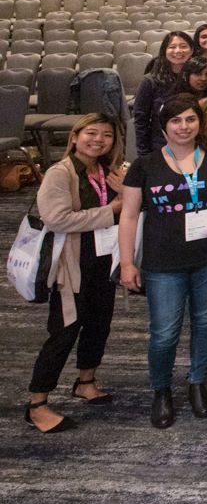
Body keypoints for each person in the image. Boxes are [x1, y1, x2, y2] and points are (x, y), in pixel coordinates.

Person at [119, 94, 207, 430]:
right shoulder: (144, 165)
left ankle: (197, 381)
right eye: (176, 121)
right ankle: (161, 389)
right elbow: (129, 216)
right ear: (164, 126)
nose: (183, 126)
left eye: (190, 119)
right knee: (164, 332)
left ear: (199, 123)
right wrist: (127, 262)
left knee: (206, 322)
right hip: (163, 261)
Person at [24, 115, 124, 434]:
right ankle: (37, 404)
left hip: (103, 261)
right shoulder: (60, 173)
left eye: (106, 135)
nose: (98, 140)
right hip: (71, 266)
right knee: (64, 331)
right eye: (91, 133)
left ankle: (86, 381)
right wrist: (114, 209)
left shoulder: (110, 171)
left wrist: (124, 195)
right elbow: (56, 219)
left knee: (98, 324)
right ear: (75, 136)